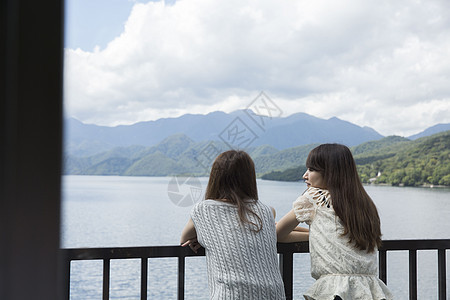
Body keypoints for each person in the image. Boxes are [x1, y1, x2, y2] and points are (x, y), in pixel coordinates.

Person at [276, 144, 393, 300]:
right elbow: (338, 235)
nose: (305, 175)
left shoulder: (315, 197)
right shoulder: (364, 203)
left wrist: (314, 236)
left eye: (311, 170)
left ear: (330, 172)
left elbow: (277, 234)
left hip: (335, 290)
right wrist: (315, 236)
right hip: (369, 290)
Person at [181, 150, 286, 299]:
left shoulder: (204, 209)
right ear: (250, 178)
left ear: (216, 178)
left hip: (231, 295)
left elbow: (184, 239)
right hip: (275, 295)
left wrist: (202, 237)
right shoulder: (267, 210)